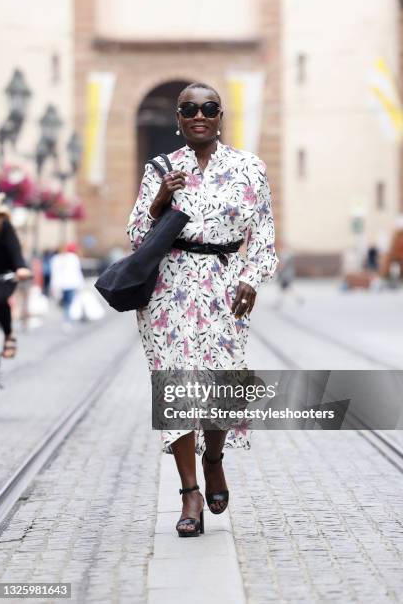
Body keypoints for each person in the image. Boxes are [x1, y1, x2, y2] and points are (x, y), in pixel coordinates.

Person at [126, 83, 278, 537]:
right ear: (178, 117)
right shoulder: (162, 168)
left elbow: (265, 234)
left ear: (219, 117)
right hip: (169, 289)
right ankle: (189, 492)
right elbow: (137, 235)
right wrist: (158, 202)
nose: (199, 115)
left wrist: (253, 276)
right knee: (175, 386)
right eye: (189, 109)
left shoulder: (249, 168)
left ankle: (215, 460)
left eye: (208, 108)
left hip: (226, 286)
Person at [0, 191, 32, 358]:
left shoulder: (2, 223)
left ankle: (9, 334)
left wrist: (21, 267)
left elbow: (15, 249)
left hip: (3, 276)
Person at [50, 242, 84, 327]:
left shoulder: (72, 258)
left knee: (68, 302)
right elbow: (54, 273)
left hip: (70, 283)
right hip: (61, 285)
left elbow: (77, 271)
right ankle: (67, 318)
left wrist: (80, 282)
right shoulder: (56, 259)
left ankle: (67, 319)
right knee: (65, 302)